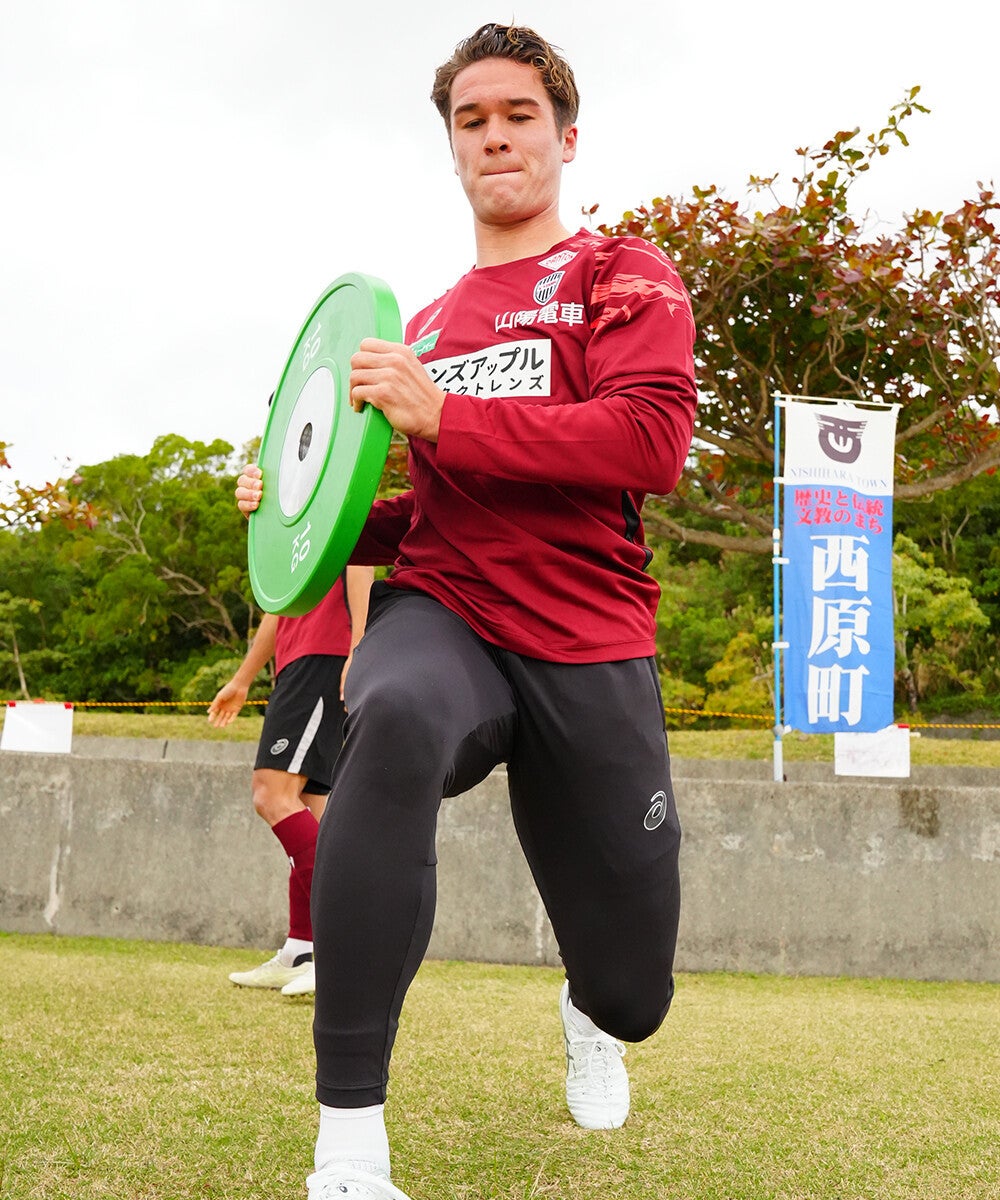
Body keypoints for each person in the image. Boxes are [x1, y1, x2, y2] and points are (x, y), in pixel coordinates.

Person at [236, 22, 697, 1199]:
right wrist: (304, 503)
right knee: (385, 718)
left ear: (564, 135)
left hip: (590, 639)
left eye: (517, 115)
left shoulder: (618, 274)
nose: (494, 136)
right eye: (470, 120)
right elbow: (413, 514)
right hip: (444, 615)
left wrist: (444, 417)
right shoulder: (428, 322)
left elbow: (647, 443)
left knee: (636, 992)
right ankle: (348, 1141)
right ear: (450, 147)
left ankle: (588, 1009)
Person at [208, 567, 373, 997]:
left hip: (324, 660)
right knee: (310, 810)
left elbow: (360, 564)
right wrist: (244, 678)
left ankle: (345, 949)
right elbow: (280, 608)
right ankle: (302, 950)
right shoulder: (293, 529)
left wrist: (358, 650)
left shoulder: (332, 502)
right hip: (297, 665)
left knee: (271, 792)